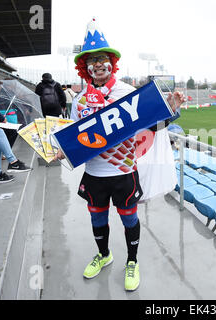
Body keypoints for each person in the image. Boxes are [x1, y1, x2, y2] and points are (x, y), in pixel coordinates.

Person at [53, 19, 185, 291]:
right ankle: (104, 255)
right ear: (84, 67)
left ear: (112, 62)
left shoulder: (127, 92)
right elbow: (74, 138)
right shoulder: (78, 102)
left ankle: (132, 262)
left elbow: (152, 126)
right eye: (92, 60)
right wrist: (60, 152)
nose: (98, 64)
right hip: (94, 173)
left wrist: (170, 109)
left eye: (102, 58)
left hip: (124, 171)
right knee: (97, 218)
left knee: (129, 218)